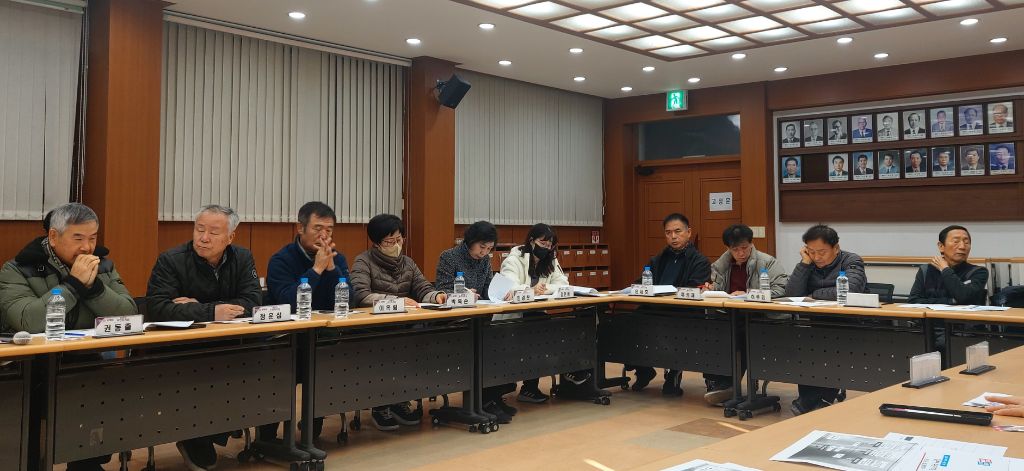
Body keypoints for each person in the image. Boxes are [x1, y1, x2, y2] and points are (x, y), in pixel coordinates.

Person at [0, 203, 136, 471]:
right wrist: (73, 285)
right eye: (78, 238)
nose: (87, 247)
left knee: (105, 387)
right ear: (53, 237)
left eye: (93, 238)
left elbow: (128, 314)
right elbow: (29, 321)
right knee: (28, 411)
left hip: (85, 362)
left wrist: (94, 288)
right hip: (31, 368)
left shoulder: (103, 266)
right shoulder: (17, 269)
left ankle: (87, 463)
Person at [145, 205, 261, 471]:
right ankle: (197, 437)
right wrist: (213, 311)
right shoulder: (171, 260)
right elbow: (158, 307)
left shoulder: (242, 258)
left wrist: (200, 307)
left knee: (253, 367)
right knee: (205, 374)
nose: (204, 238)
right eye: (199, 230)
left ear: (230, 237)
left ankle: (207, 435)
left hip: (228, 346)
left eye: (213, 232)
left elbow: (253, 301)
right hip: (182, 349)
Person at [261, 201, 352, 441]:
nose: (324, 236)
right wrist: (317, 270)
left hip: (321, 338)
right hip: (285, 340)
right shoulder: (281, 259)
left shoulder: (337, 259)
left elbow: (347, 300)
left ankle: (311, 432)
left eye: (329, 230)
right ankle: (267, 437)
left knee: (329, 360)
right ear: (300, 228)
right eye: (317, 228)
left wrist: (332, 270)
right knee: (279, 370)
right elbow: (289, 301)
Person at [350, 213, 447, 430]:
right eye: (389, 241)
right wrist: (396, 301)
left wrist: (437, 296)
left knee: (418, 346)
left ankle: (400, 400)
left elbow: (423, 288)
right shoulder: (363, 261)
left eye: (399, 239)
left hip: (404, 328)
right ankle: (380, 405)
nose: (396, 245)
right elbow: (361, 295)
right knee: (386, 352)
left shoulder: (408, 263)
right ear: (377, 243)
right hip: (374, 330)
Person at [435, 221, 516, 422]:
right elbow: (442, 290)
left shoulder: (484, 260)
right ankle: (485, 401)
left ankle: (492, 397)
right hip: (456, 323)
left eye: (489, 249)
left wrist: (502, 292)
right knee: (486, 349)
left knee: (501, 344)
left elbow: (488, 287)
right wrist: (461, 293)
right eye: (482, 247)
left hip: (480, 319)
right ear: (470, 241)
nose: (484, 252)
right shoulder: (449, 257)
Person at [784, 224, 867, 415]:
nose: (817, 257)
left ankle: (822, 399)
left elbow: (849, 290)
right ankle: (808, 400)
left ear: (836, 248)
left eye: (822, 252)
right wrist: (804, 263)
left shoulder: (851, 260)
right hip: (815, 323)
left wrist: (814, 294)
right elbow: (792, 293)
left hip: (848, 324)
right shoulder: (809, 263)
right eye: (811, 252)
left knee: (832, 347)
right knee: (805, 347)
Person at [627, 214, 710, 396]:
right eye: (668, 233)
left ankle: (673, 373)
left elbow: (694, 288)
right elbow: (642, 281)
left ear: (689, 233)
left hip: (683, 313)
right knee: (627, 323)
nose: (673, 236)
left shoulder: (700, 261)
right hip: (654, 310)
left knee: (672, 328)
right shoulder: (658, 259)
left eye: (678, 231)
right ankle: (643, 369)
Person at [706, 224, 787, 405]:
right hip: (730, 315)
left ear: (751, 243)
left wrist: (747, 294)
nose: (741, 253)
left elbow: (782, 289)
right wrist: (711, 290)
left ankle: (729, 386)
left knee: (739, 334)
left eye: (745, 248)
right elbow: (718, 290)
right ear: (728, 248)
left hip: (761, 318)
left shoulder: (767, 262)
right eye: (735, 250)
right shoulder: (721, 265)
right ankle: (723, 384)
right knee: (714, 331)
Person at [498, 223, 571, 403]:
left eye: (549, 245)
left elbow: (563, 284)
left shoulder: (550, 260)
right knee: (539, 326)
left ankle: (533, 386)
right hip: (512, 318)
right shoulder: (514, 259)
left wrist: (543, 289)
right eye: (542, 243)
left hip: (535, 316)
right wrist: (530, 289)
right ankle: (528, 387)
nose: (546, 248)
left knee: (545, 325)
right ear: (531, 241)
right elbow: (508, 287)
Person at [908, 225, 987, 305]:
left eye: (966, 242)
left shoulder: (979, 272)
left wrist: (945, 269)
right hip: (930, 313)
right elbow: (913, 301)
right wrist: (951, 301)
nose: (962, 247)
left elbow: (964, 297)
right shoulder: (926, 270)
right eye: (956, 241)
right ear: (941, 246)